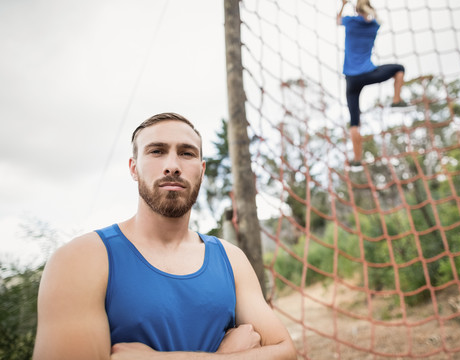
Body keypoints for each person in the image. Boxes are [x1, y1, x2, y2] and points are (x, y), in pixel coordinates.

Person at [33, 112, 297, 359]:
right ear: (133, 168)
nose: (172, 165)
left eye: (186, 153)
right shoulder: (80, 260)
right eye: (157, 151)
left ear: (202, 171)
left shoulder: (230, 258)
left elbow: (285, 352)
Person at [337, 0, 408, 166]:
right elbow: (377, 20)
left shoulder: (350, 22)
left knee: (354, 121)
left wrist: (343, 5)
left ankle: (357, 159)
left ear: (356, 9)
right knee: (399, 68)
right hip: (369, 73)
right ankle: (396, 100)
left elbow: (338, 20)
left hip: (351, 79)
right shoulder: (374, 26)